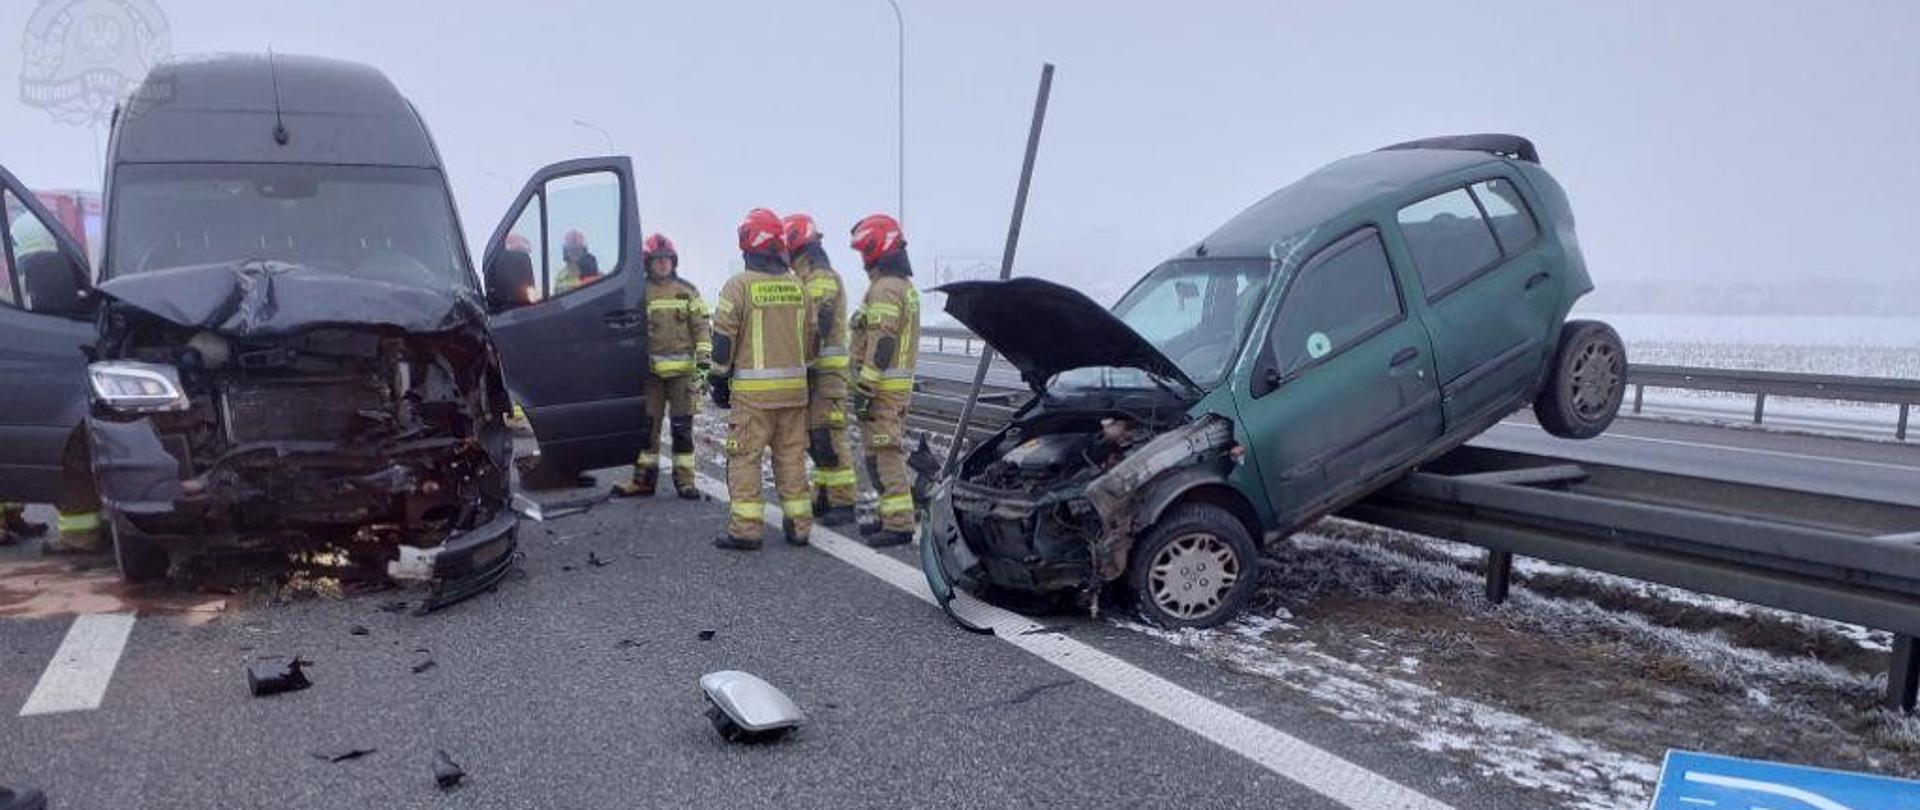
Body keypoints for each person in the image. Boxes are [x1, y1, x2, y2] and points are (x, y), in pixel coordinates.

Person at [709, 208, 816, 550]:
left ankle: (746, 530)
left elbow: (723, 340)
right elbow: (812, 337)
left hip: (753, 398)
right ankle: (799, 526)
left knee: (745, 459)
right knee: (791, 459)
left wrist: (718, 379)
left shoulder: (738, 286)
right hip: (795, 393)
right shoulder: (798, 285)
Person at [613, 233, 710, 500]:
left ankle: (686, 483)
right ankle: (643, 481)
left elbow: (702, 328)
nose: (663, 264)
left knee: (682, 430)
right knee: (646, 431)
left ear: (674, 261)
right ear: (648, 263)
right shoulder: (638, 292)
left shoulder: (688, 291)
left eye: (667, 259)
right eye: (658, 260)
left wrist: (703, 369)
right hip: (650, 377)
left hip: (683, 377)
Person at [846, 213, 921, 548]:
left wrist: (866, 385)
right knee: (877, 454)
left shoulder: (887, 289)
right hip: (890, 390)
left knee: (886, 454)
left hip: (883, 392)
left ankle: (899, 524)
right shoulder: (899, 286)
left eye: (866, 251)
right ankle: (889, 515)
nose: (863, 259)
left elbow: (883, 341)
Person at [783, 213, 856, 527]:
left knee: (829, 435)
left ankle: (843, 501)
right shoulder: (804, 274)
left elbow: (815, 326)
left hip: (826, 373)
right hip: (815, 373)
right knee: (816, 437)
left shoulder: (819, 276)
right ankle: (825, 495)